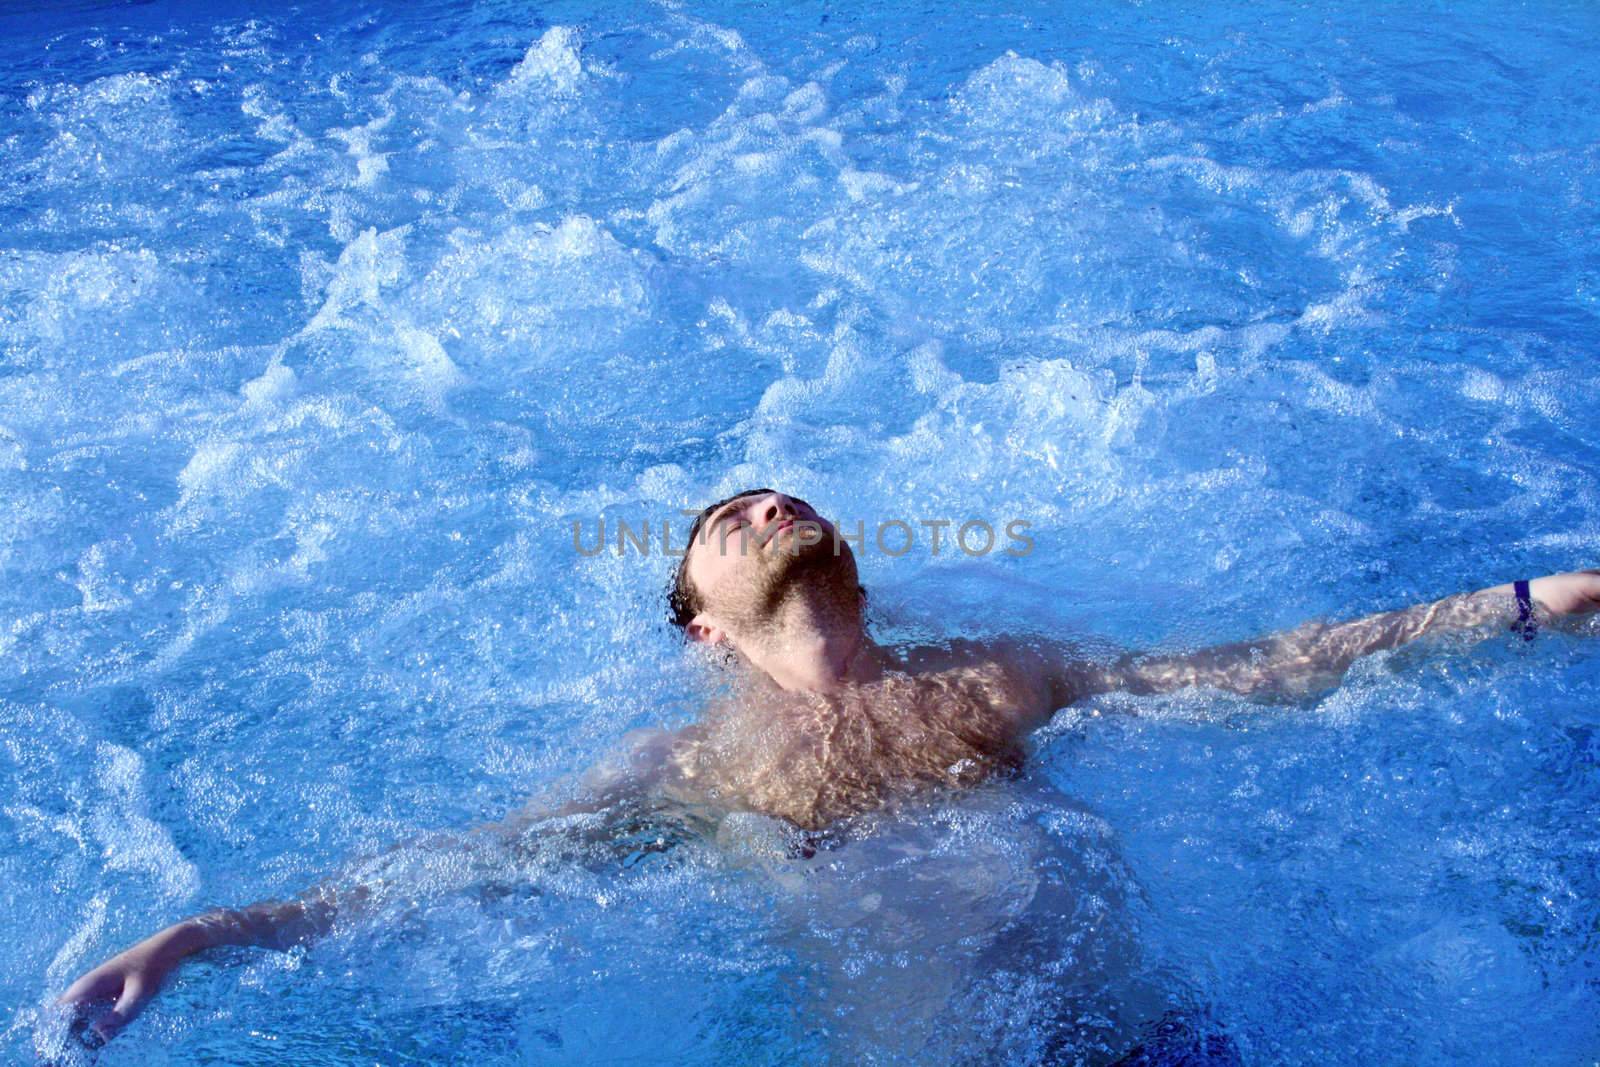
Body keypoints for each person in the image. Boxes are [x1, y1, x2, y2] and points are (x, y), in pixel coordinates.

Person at [58, 488, 1600, 1048]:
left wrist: (1529, 605)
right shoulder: (691, 764)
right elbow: (445, 875)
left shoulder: (1006, 670)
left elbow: (1265, 671)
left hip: (1156, 1043)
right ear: (699, 632)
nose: (763, 502)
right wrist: (199, 935)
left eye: (779, 495)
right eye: (722, 519)